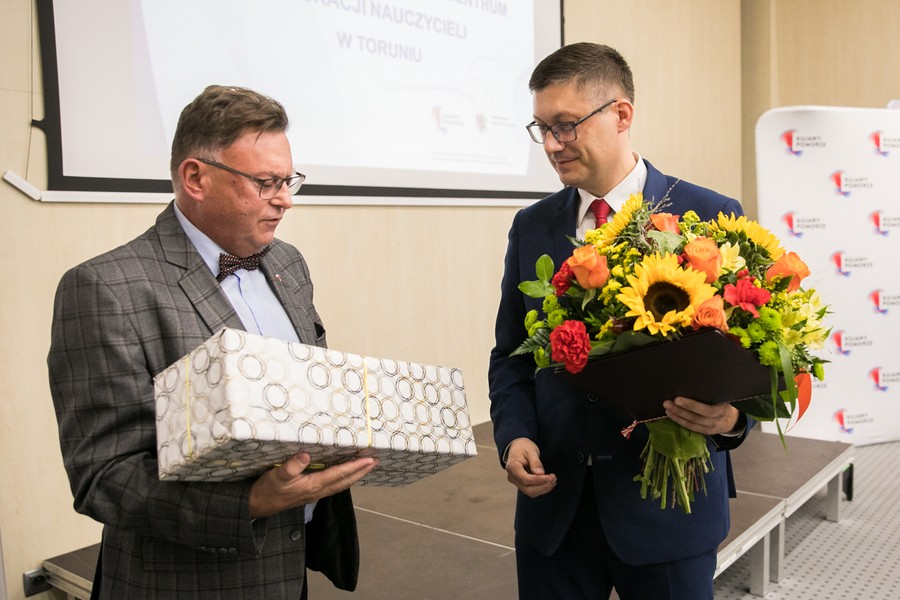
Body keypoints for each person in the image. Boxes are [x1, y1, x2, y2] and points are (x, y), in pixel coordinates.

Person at [47, 85, 378, 599]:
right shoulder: (105, 289)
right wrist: (248, 504)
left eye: (288, 181)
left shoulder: (287, 263)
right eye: (266, 183)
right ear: (195, 177)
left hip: (287, 572)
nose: (285, 200)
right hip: (184, 583)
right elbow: (103, 477)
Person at [488, 43, 751, 600]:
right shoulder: (532, 226)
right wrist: (513, 437)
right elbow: (510, 354)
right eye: (541, 129)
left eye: (565, 125)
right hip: (554, 512)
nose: (553, 146)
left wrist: (729, 419)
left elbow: (751, 352)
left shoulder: (711, 217)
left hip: (669, 515)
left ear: (621, 115)